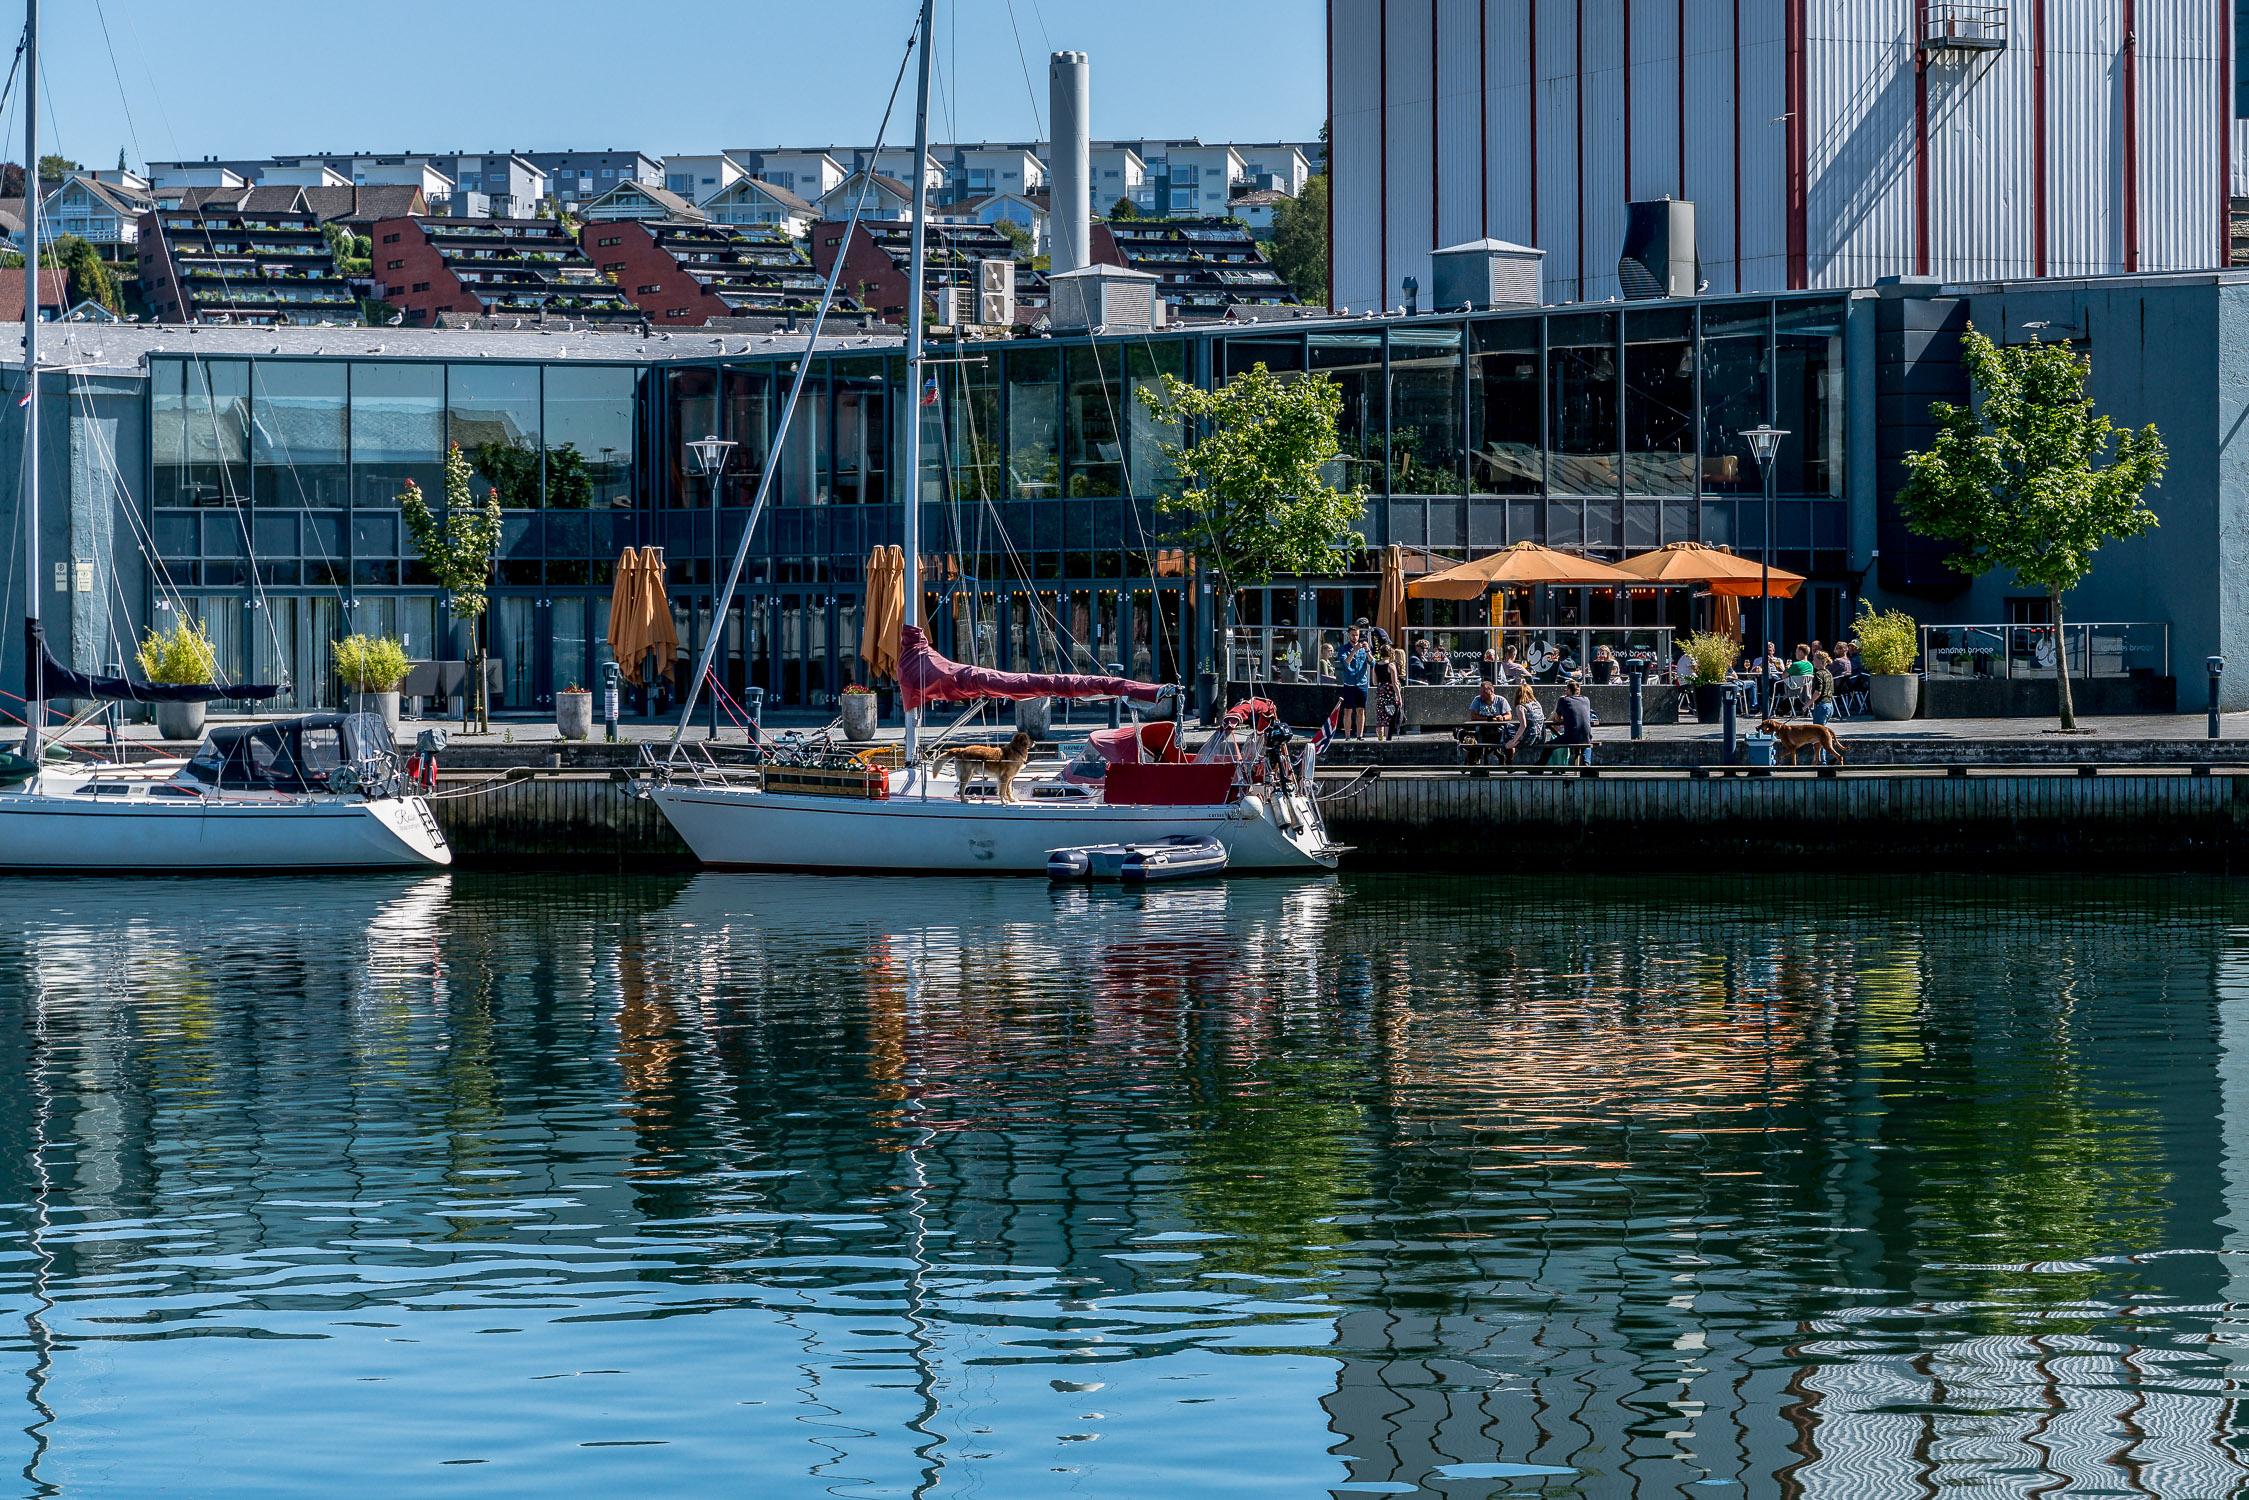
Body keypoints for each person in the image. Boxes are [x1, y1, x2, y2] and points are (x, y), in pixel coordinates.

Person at [1335, 628, 1371, 739]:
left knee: (1361, 710)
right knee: (1348, 710)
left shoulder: (1364, 649)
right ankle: (1347, 736)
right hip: (1349, 684)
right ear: (1348, 635)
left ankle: (1359, 736)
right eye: (1353, 635)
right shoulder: (1343, 649)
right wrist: (1354, 650)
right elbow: (1346, 663)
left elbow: (1372, 662)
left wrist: (1368, 651)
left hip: (1362, 683)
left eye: (1357, 635)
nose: (1355, 637)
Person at [1464, 677, 1511, 763]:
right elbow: (1473, 716)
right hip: (1482, 729)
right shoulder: (1477, 700)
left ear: (1491, 691)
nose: (1481, 694)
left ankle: (1508, 762)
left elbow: (1509, 715)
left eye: (1484, 692)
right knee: (1473, 741)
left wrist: (1502, 718)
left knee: (1509, 738)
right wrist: (1487, 719)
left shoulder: (1501, 700)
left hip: (1498, 729)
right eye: (1481, 692)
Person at [1553, 674, 1597, 765]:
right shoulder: (1586, 699)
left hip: (1570, 737)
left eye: (1566, 689)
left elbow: (1557, 719)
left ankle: (1539, 767)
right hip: (1586, 736)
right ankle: (1586, 764)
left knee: (1548, 746)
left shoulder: (1564, 700)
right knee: (1586, 743)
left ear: (1569, 690)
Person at [1505, 681, 1545, 761]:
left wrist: (1513, 741)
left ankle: (1509, 761)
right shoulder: (1537, 704)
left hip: (1529, 738)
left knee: (1505, 730)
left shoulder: (1520, 707)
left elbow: (1523, 725)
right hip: (1540, 738)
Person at [1372, 645, 1403, 741]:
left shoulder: (1376, 665)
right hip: (1389, 693)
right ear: (1390, 653)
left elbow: (1375, 682)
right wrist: (1399, 696)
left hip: (1380, 692)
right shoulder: (1391, 665)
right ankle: (1387, 739)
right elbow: (1395, 683)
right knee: (1388, 718)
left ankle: (1380, 739)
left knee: (1380, 718)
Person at [1809, 649, 1837, 725]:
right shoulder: (1829, 673)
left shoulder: (1818, 674)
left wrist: (1807, 704)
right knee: (1821, 732)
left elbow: (1818, 692)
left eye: (1814, 659)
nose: (1813, 661)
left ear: (1820, 661)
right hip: (1830, 705)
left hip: (1821, 706)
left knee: (1817, 733)